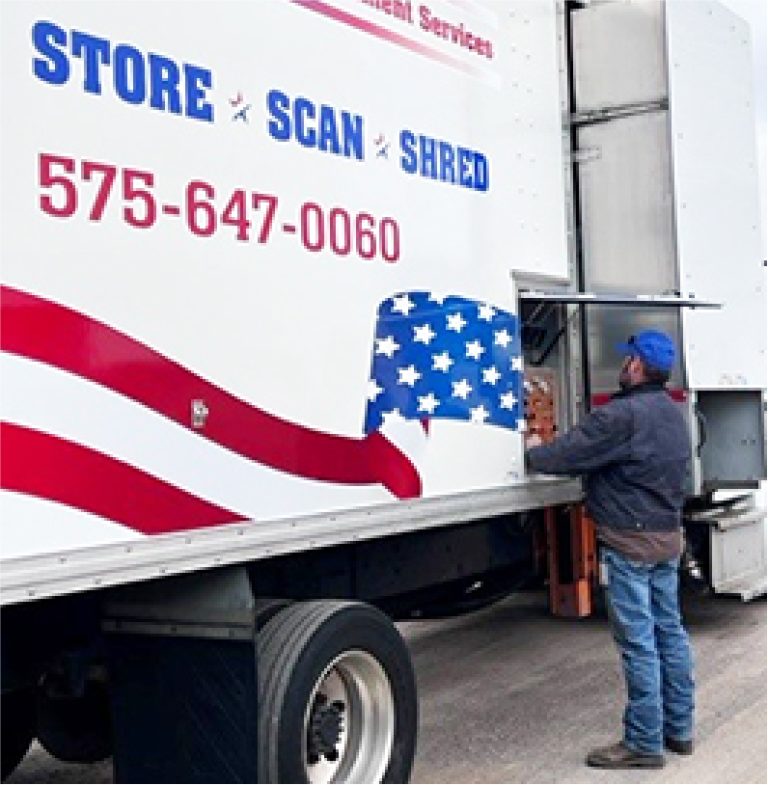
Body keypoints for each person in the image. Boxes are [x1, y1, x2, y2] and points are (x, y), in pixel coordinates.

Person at [525, 329, 695, 769]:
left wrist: (531, 448)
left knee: (638, 642)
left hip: (630, 543)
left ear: (637, 366)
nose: (622, 367)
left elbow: (561, 456)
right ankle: (679, 730)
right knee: (670, 634)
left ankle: (643, 742)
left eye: (626, 360)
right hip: (666, 537)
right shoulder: (671, 412)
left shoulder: (621, 416)